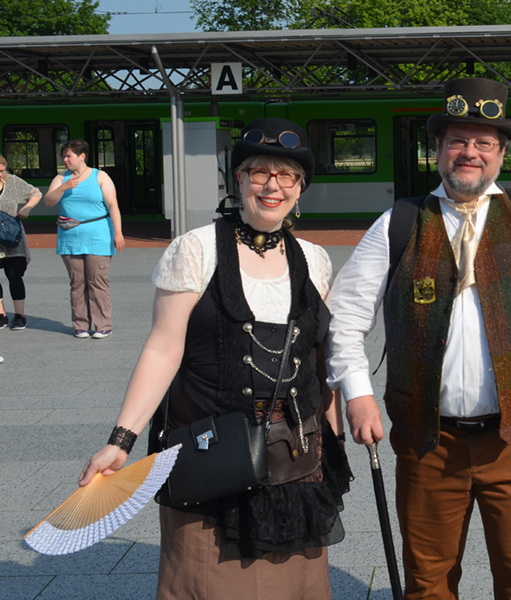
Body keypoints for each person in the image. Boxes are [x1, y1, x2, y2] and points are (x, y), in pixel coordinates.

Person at [327, 77, 511, 600]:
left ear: (501, 153)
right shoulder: (400, 221)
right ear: (437, 148)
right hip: (427, 441)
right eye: (458, 140)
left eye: (484, 142)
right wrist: (357, 393)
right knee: (428, 584)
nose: (470, 153)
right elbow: (344, 316)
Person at [78, 118, 352, 599]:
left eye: (287, 175)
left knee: (297, 583)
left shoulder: (315, 258)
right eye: (259, 172)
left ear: (300, 188)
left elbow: (317, 357)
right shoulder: (195, 249)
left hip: (295, 458)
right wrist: (121, 440)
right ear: (239, 180)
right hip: (214, 458)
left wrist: (336, 437)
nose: (273, 186)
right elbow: (163, 348)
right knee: (209, 579)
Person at [44, 140, 125, 339]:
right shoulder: (61, 178)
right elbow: (48, 202)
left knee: (97, 281)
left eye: (68, 156)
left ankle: (102, 325)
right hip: (70, 238)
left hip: (98, 235)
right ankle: (80, 325)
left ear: (82, 156)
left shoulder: (100, 176)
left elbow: (113, 205)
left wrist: (118, 233)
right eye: (63, 156)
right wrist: (63, 188)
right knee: (77, 282)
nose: (65, 159)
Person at [0, 155, 43, 331]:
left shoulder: (12, 182)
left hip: (12, 238)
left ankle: (19, 316)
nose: (1, 174)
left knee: (14, 275)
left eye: (2, 170)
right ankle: (1, 314)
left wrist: (27, 207)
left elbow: (36, 193)